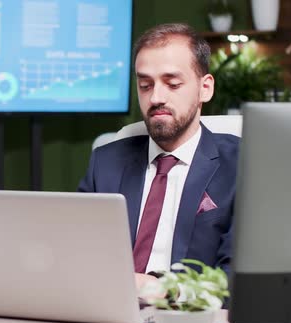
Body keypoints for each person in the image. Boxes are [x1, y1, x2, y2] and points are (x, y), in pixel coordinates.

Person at [78, 23, 239, 287]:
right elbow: (77, 255)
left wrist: (159, 290)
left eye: (172, 83)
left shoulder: (243, 166)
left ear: (205, 88)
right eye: (145, 85)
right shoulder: (105, 163)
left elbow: (236, 280)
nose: (156, 97)